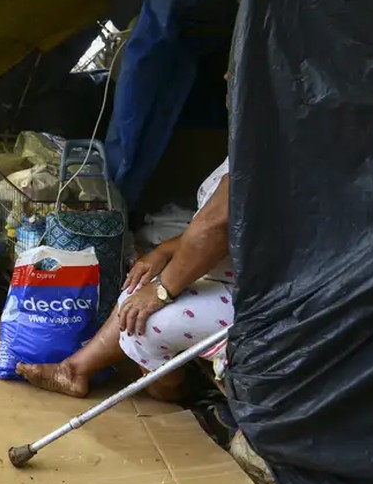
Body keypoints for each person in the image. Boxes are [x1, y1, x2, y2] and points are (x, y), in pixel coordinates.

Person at [17, 156, 233, 403]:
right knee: (137, 291)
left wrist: (162, 290)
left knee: (142, 327)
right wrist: (162, 252)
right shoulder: (248, 140)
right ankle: (73, 370)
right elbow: (211, 227)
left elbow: (218, 225)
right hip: (226, 279)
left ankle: (182, 391)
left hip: (260, 298)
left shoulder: (266, 143)